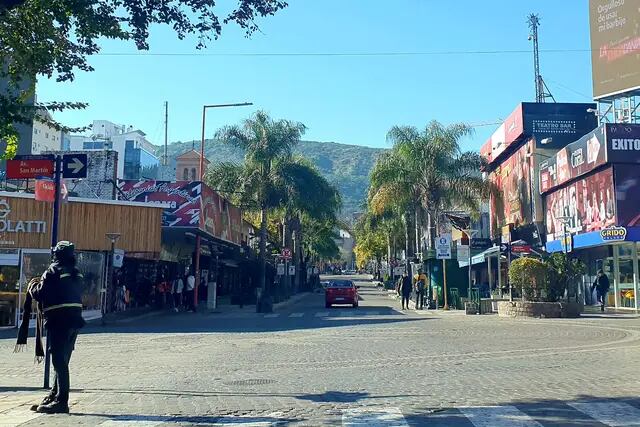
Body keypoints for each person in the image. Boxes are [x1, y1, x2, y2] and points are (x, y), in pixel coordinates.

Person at [29, 241, 85, 414]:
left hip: (59, 320)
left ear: (56, 255)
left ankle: (61, 401)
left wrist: (32, 287)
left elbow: (42, 293)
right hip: (74, 321)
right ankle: (54, 394)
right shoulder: (76, 273)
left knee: (58, 360)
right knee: (62, 359)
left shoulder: (53, 271)